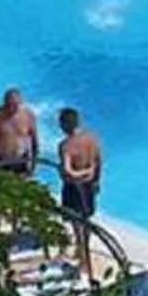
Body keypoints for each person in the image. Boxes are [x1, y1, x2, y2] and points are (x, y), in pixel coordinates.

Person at [57, 105, 105, 279]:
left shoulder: (65, 146)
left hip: (74, 188)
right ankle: (81, 254)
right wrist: (95, 178)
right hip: (89, 186)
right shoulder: (92, 138)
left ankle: (84, 263)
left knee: (78, 225)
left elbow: (68, 171)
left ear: (64, 125)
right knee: (86, 221)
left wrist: (81, 173)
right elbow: (99, 161)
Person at [0, 88, 40, 176]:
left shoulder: (28, 116)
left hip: (20, 159)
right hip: (0, 159)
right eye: (8, 105)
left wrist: (33, 167)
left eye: (15, 105)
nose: (11, 109)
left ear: (20, 103)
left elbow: (35, 142)